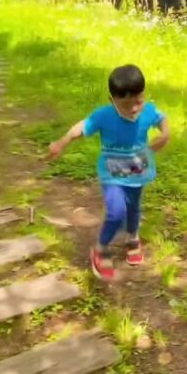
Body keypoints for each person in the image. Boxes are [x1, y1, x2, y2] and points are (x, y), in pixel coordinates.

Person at [47, 64, 170, 282]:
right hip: (112, 173)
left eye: (138, 102)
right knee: (116, 212)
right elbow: (81, 127)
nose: (133, 109)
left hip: (137, 171)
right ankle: (101, 247)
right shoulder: (104, 116)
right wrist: (61, 142)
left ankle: (132, 237)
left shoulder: (148, 110)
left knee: (134, 207)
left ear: (143, 95)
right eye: (126, 105)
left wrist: (165, 134)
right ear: (112, 99)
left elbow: (161, 117)